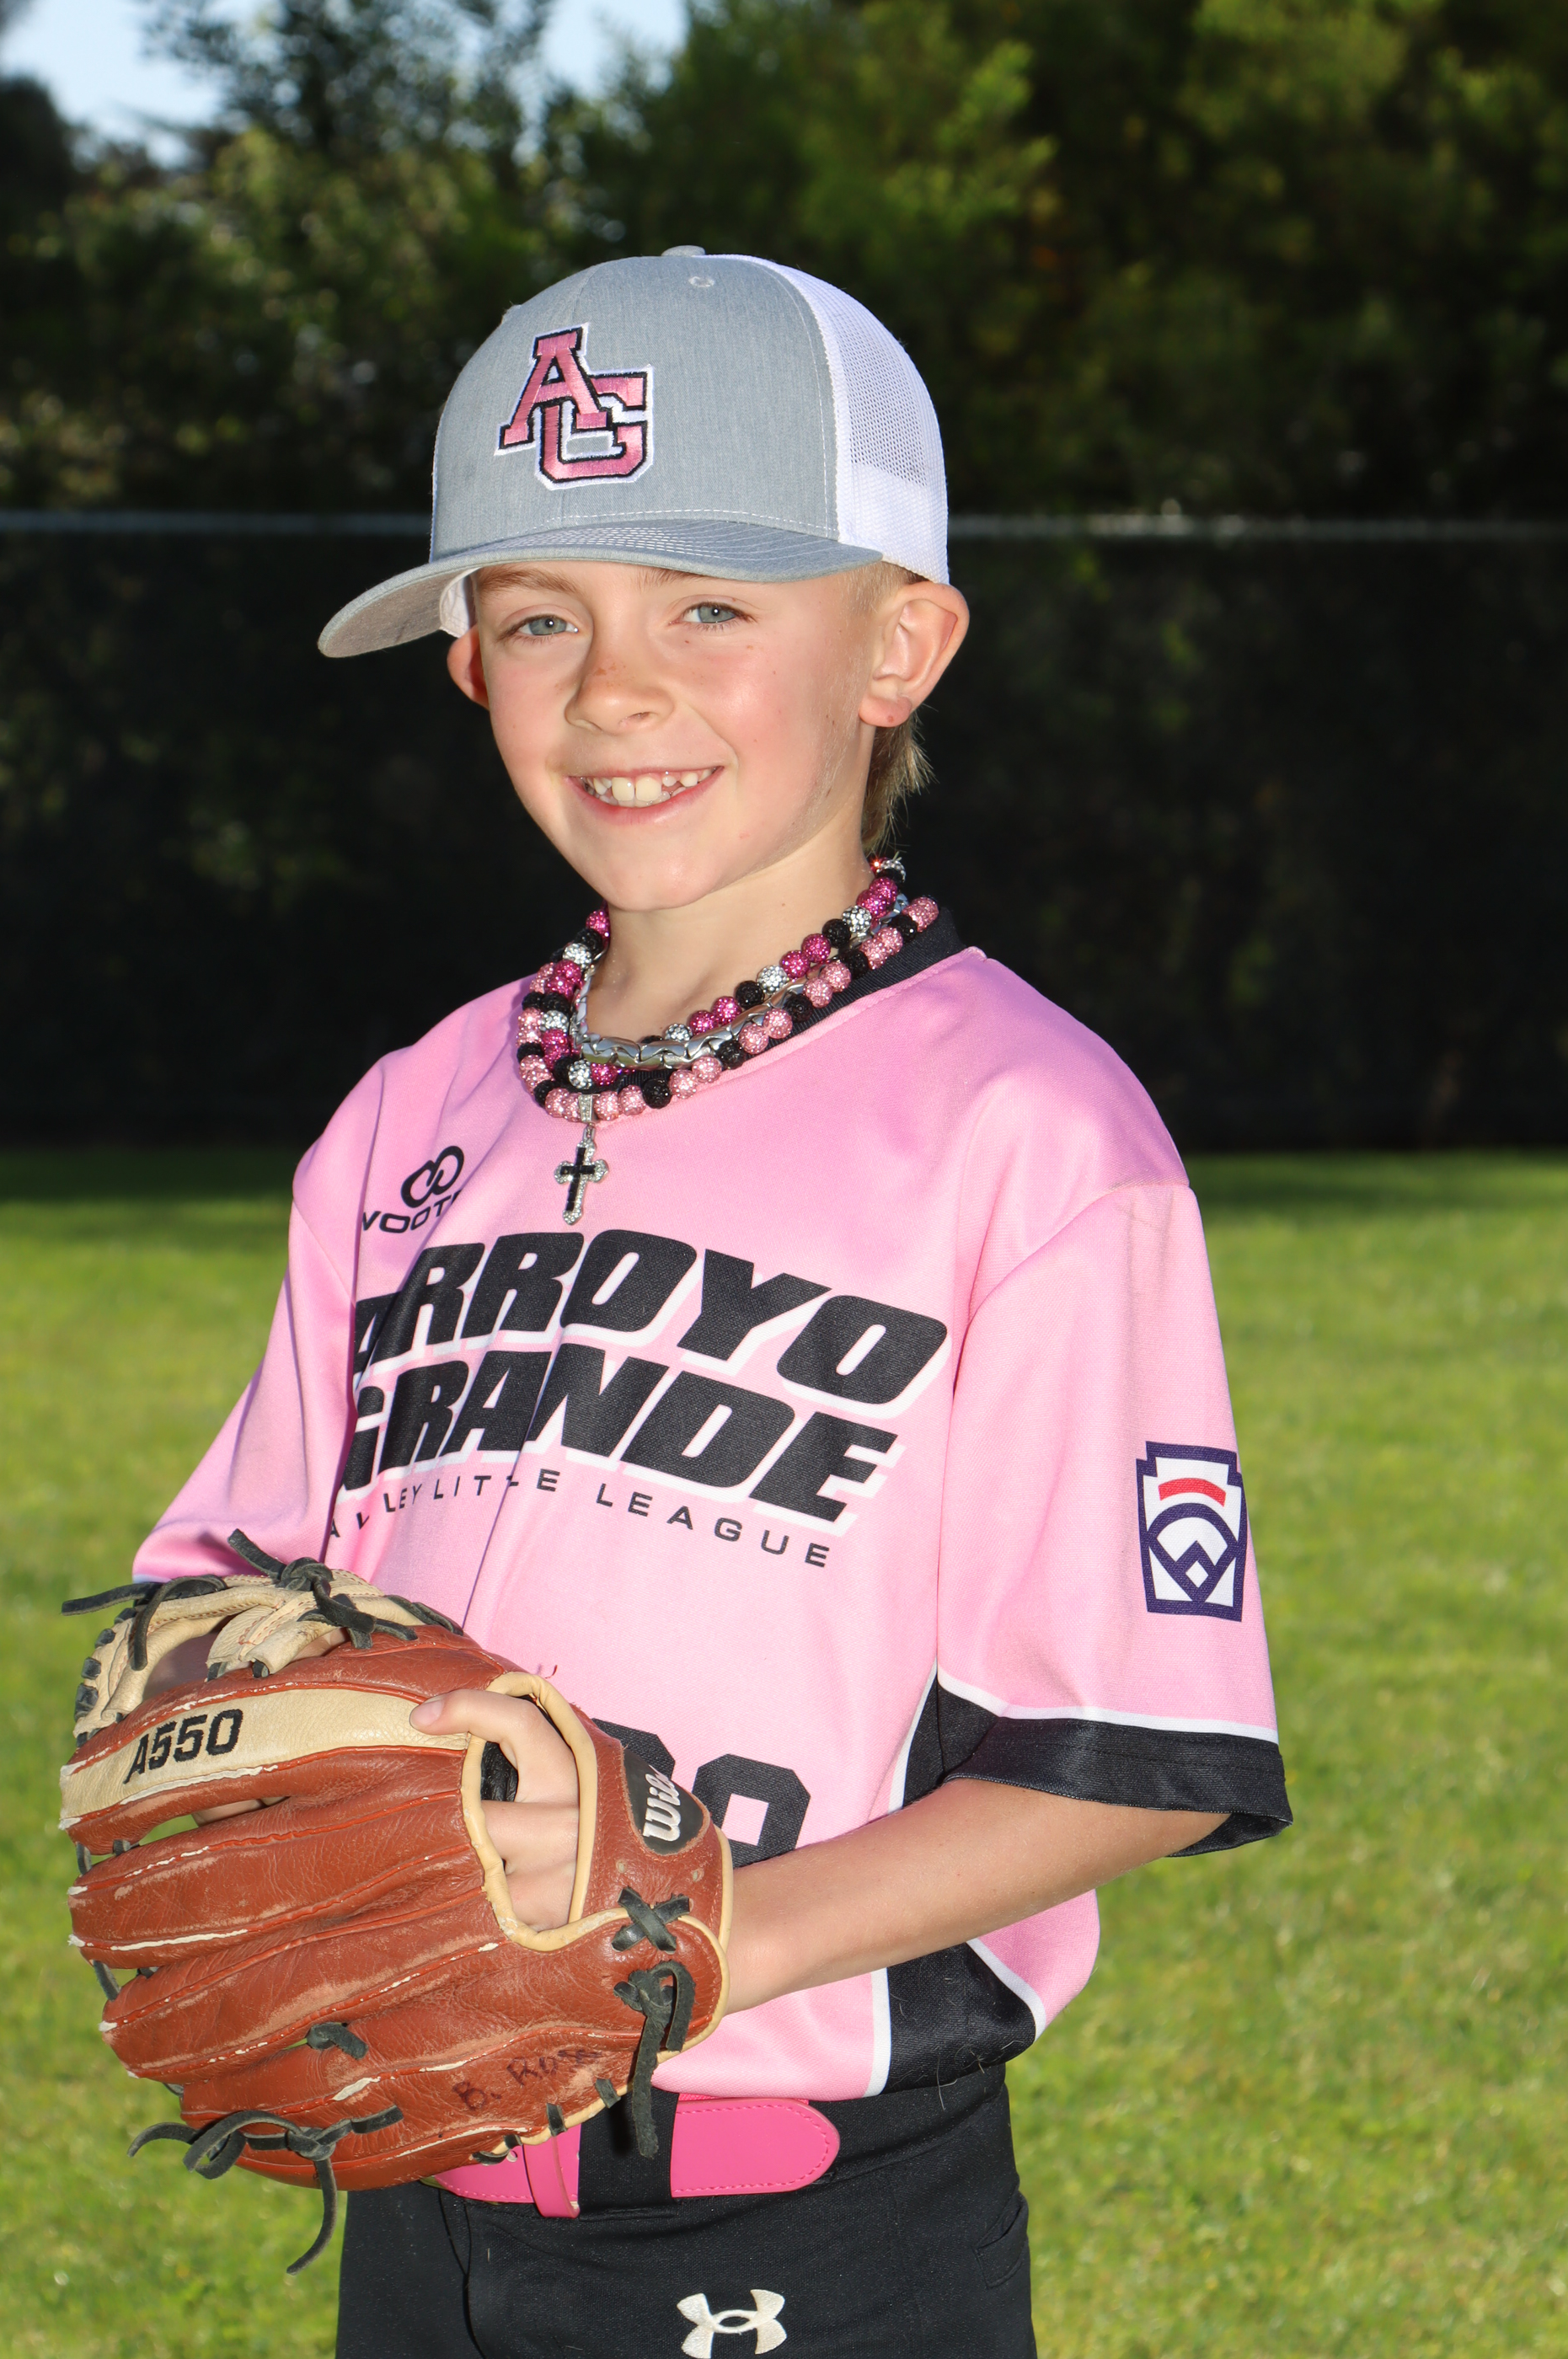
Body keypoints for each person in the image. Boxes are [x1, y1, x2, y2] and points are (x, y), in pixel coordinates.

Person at [134, 250, 1290, 2358]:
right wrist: (240, 1731)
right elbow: (227, 1581)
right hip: (421, 2175)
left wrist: (694, 1926)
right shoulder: (410, 1112)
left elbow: (1140, 1754)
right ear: (465, 664)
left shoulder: (1026, 1132)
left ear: (899, 644)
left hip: (819, 2224)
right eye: (539, 617)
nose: (612, 690)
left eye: (708, 607)